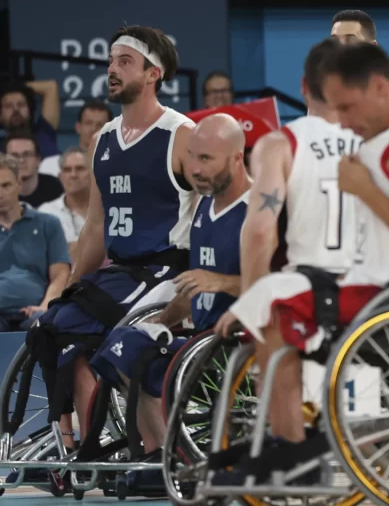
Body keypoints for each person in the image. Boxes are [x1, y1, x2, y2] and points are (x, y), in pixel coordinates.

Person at [17, 25, 196, 486]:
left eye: (124, 62)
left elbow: (208, 216)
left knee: (108, 339)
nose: (111, 70)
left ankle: (159, 452)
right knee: (55, 326)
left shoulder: (181, 135)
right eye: (110, 61)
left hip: (168, 268)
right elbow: (95, 226)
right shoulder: (106, 139)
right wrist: (72, 287)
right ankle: (82, 449)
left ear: (153, 73)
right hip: (121, 273)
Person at [210, 38, 361, 486]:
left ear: (304, 85)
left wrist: (251, 300)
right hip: (378, 288)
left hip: (318, 285)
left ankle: (295, 452)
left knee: (269, 324)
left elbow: (259, 231)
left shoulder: (283, 143)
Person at [87, 113, 251, 489]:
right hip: (202, 340)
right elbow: (194, 285)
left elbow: (278, 285)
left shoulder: (258, 211)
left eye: (206, 159)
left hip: (240, 344)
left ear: (237, 159)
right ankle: (161, 453)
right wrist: (163, 318)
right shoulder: (204, 208)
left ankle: (175, 458)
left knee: (138, 349)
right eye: (191, 156)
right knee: (124, 345)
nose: (194, 168)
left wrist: (221, 281)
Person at [0, 154, 70, 332]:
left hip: (36, 312)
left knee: (50, 322)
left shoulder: (48, 223)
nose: (0, 193)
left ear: (19, 184)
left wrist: (46, 305)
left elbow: (60, 274)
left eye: (5, 185)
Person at [38, 147, 91, 255]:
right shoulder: (46, 212)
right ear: (60, 177)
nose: (73, 175)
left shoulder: (110, 209)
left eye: (80, 168)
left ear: (93, 174)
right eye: (67, 170)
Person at [39, 101, 113, 177]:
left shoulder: (119, 165)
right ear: (78, 127)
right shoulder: (50, 165)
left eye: (100, 125)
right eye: (88, 123)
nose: (93, 129)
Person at [0, 80, 61, 159]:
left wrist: (18, 86)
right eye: (8, 106)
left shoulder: (45, 131)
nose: (16, 109)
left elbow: (50, 87)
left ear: (30, 111)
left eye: (21, 104)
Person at [4, 131, 63, 207]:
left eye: (27, 154)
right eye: (14, 155)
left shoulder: (56, 187)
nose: (21, 160)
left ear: (38, 160)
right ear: (5, 161)